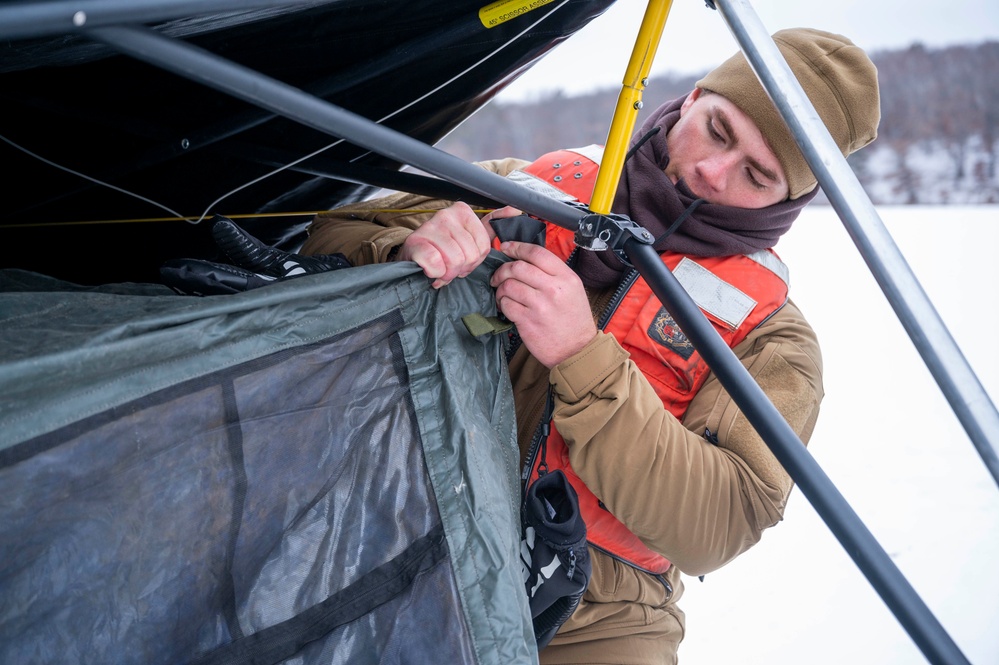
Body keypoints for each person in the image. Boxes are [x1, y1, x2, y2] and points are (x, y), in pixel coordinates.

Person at [299, 27, 880, 664]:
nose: (713, 173)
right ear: (691, 99)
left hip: (596, 614)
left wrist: (582, 355)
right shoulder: (533, 185)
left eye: (757, 174)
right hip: (406, 524)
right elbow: (321, 233)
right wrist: (409, 252)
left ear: (792, 198)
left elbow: (721, 524)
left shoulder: (774, 340)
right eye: (718, 130)